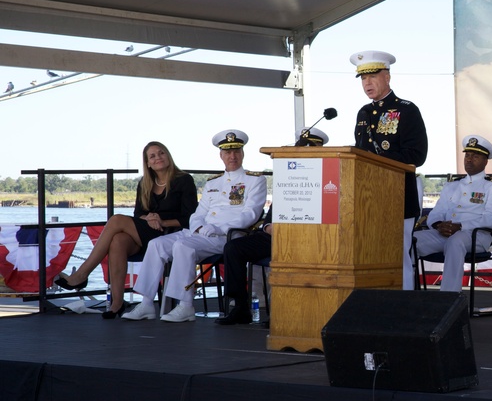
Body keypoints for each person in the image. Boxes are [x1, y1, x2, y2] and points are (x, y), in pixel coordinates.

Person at [123, 130, 267, 322]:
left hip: (227, 236)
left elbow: (251, 214)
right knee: (157, 244)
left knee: (183, 246)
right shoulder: (212, 183)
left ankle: (185, 305)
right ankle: (147, 304)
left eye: (236, 152)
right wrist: (198, 227)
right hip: (200, 233)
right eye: (227, 152)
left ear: (242, 154)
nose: (232, 156)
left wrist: (220, 228)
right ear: (221, 155)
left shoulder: (255, 180)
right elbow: (199, 212)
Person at [55, 142, 197, 319]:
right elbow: (138, 214)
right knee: (118, 240)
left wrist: (162, 221)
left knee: (116, 220)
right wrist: (149, 218)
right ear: (148, 163)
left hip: (172, 234)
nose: (158, 158)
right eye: (152, 156)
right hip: (147, 233)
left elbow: (190, 217)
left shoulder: (183, 180)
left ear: (168, 155)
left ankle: (82, 274)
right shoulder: (145, 184)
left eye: (161, 153)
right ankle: (117, 303)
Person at [216, 128, 328, 326]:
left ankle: (285, 311)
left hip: (307, 238)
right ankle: (240, 307)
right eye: (301, 150)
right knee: (234, 248)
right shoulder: (290, 176)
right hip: (275, 235)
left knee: (293, 252)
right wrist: (268, 227)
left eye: (311, 150)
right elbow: (270, 216)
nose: (305, 154)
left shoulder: (329, 178)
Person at [351, 50, 428, 290]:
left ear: (387, 77)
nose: (367, 83)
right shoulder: (363, 113)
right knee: (371, 254)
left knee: (398, 254)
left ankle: (403, 308)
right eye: (363, 79)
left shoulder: (407, 110)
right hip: (368, 197)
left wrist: (379, 158)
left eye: (372, 77)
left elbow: (417, 155)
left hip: (398, 196)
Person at [413, 135, 492, 292]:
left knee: (455, 241)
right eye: (467, 155)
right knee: (410, 242)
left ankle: (449, 297)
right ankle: (408, 291)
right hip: (446, 233)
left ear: (485, 161)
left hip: (476, 235)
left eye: (475, 156)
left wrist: (461, 226)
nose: (469, 160)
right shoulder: (452, 185)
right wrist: (438, 225)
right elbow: (437, 212)